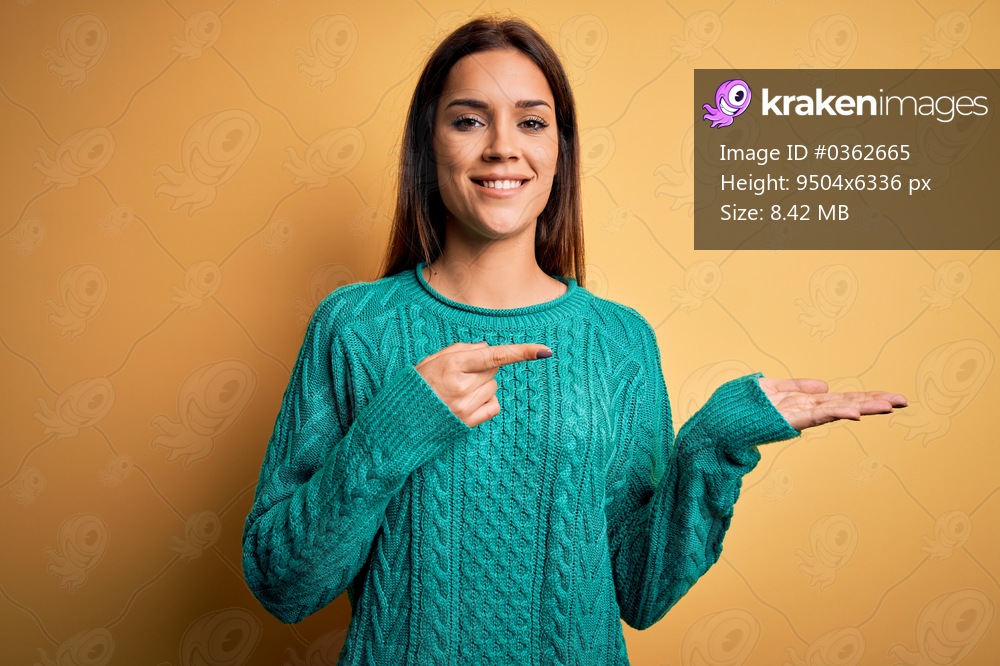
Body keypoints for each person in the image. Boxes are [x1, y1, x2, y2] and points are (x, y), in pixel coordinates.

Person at [241, 16, 907, 665]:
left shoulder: (620, 340)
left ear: (560, 150)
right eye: (469, 119)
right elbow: (283, 584)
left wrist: (710, 449)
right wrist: (393, 431)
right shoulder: (354, 326)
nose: (504, 146)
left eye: (532, 122)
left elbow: (639, 592)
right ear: (428, 144)